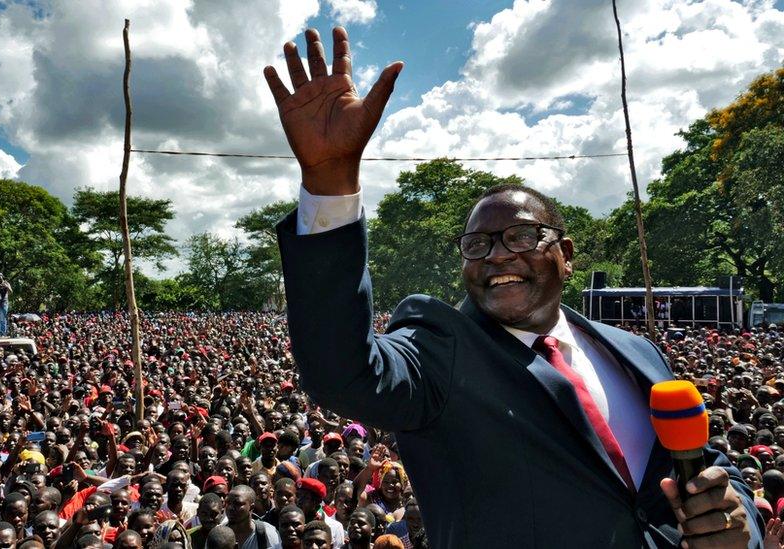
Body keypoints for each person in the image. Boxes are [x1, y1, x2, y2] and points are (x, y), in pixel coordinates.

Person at [264, 25, 761, 548]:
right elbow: (342, 371)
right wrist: (330, 182)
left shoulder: (636, 352)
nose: (498, 253)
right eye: (477, 244)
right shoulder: (442, 348)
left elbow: (713, 467)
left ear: (565, 256)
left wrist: (738, 523)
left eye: (521, 236)